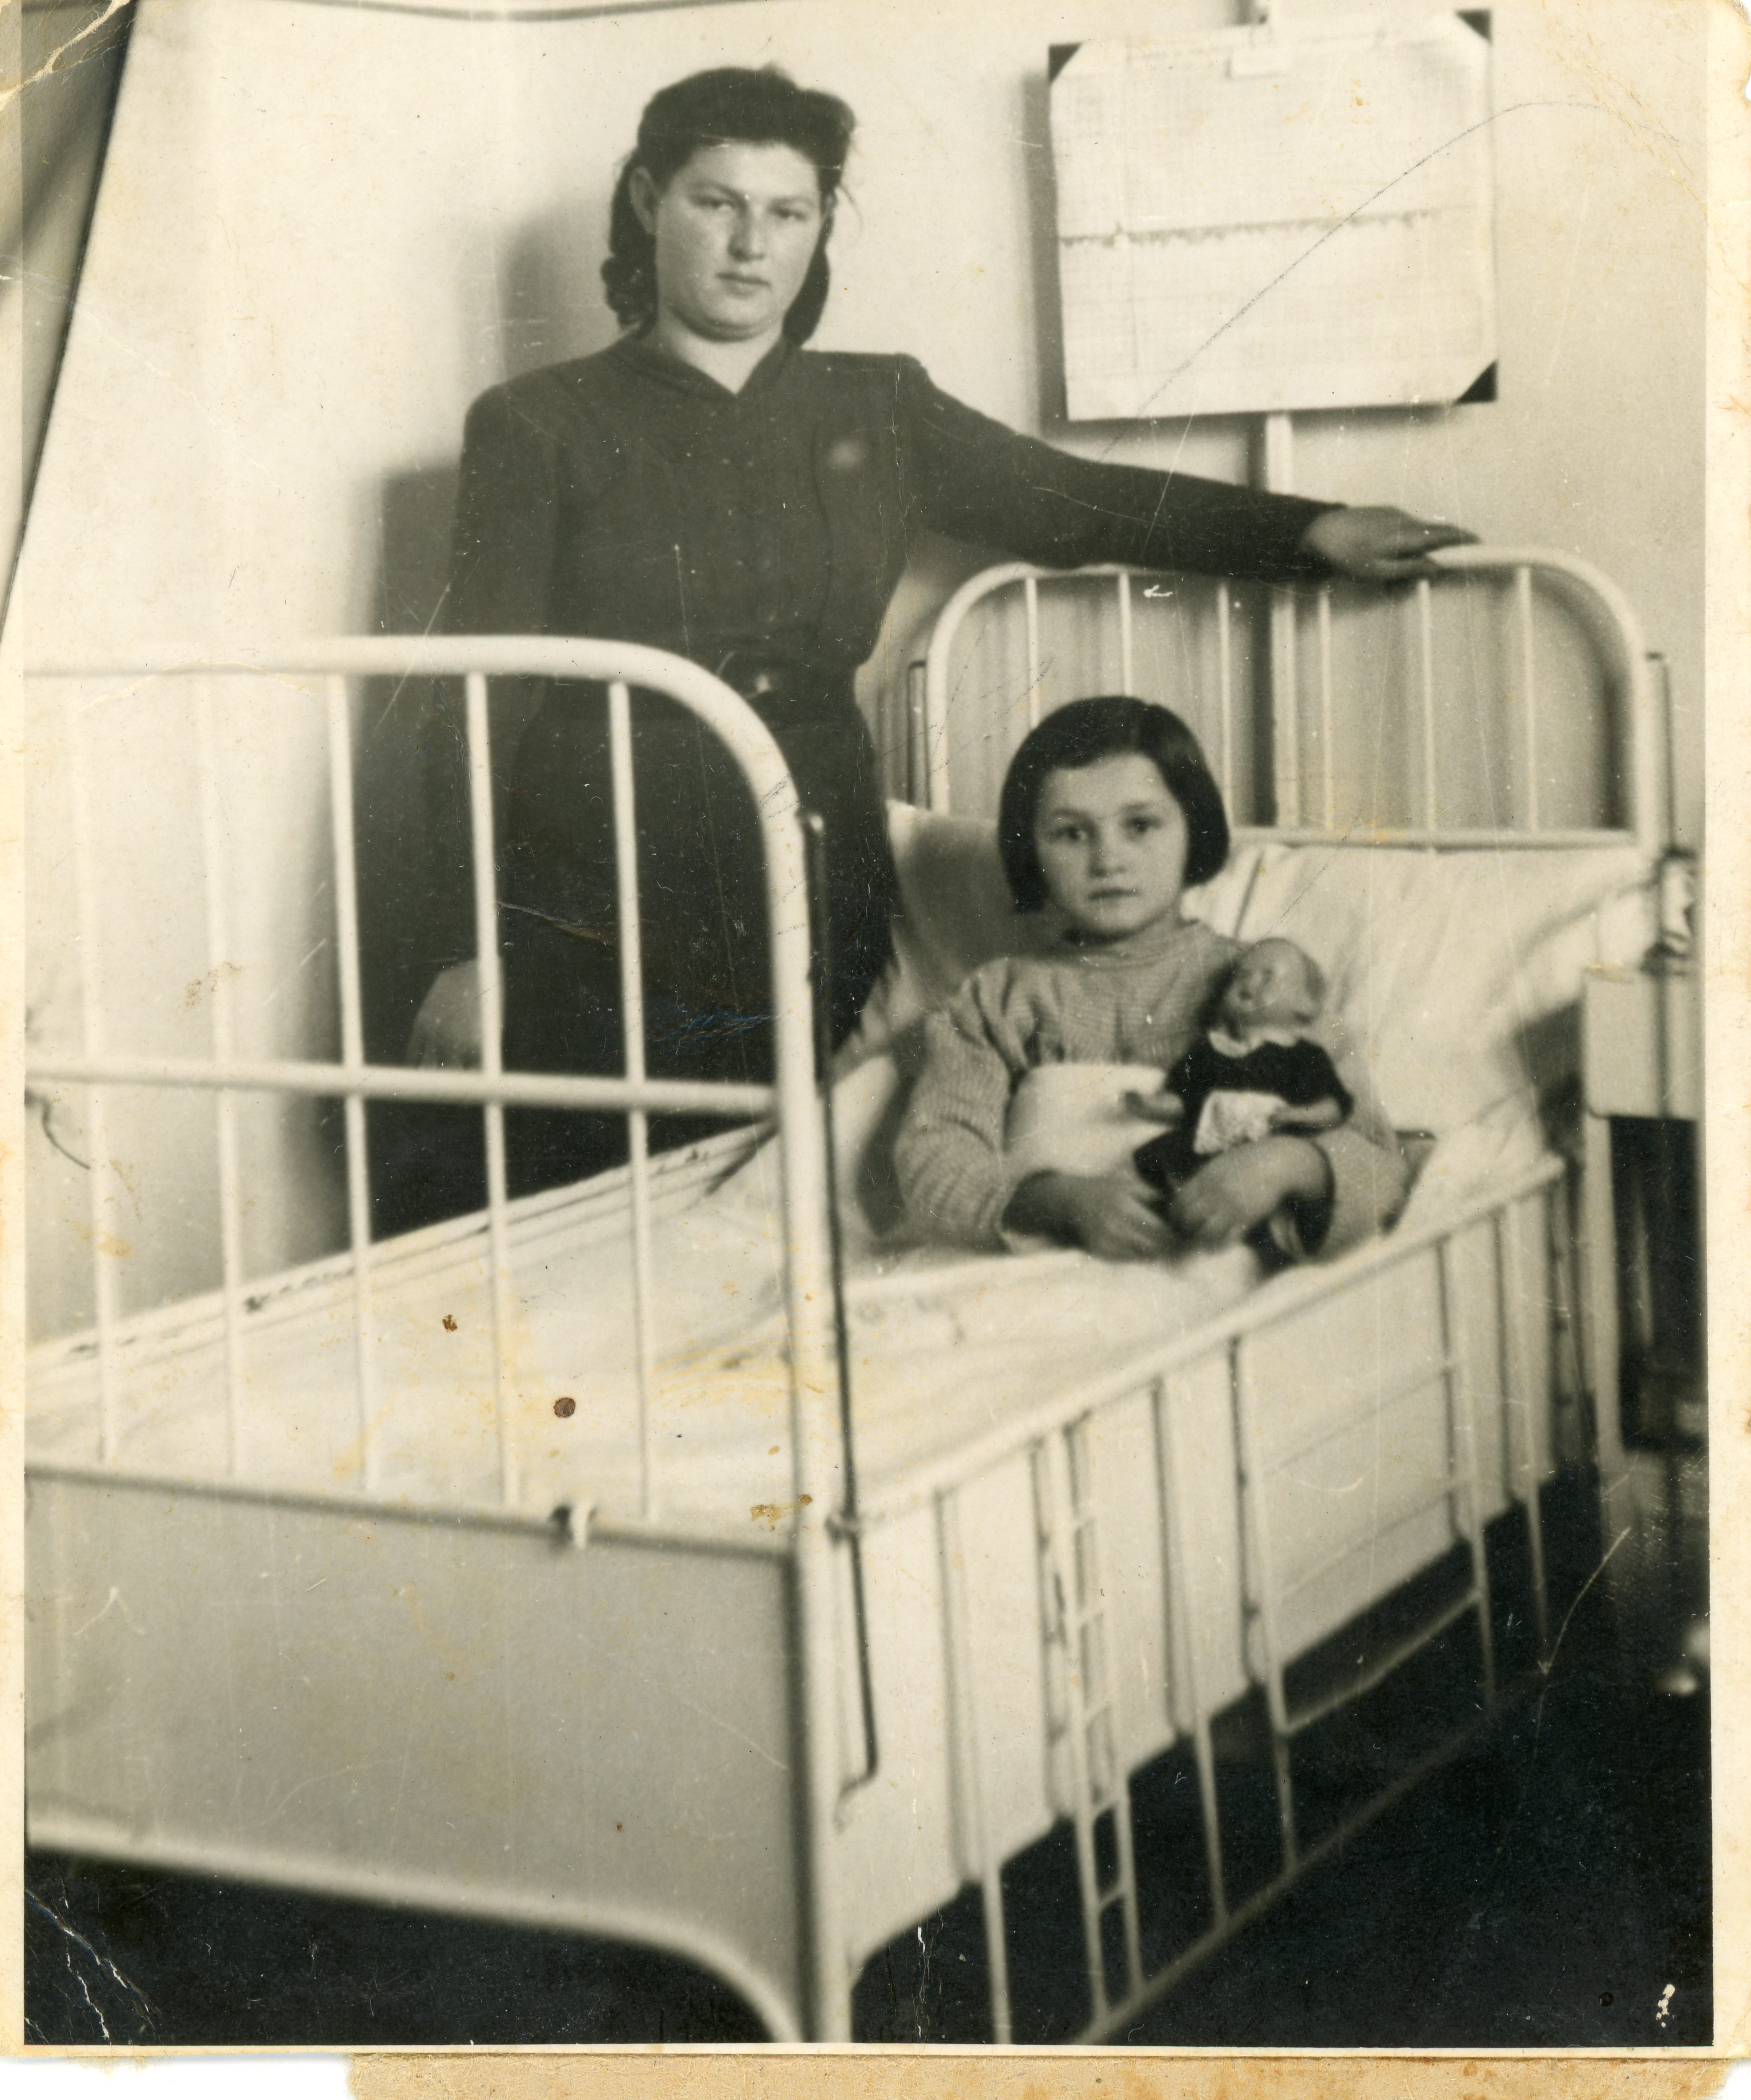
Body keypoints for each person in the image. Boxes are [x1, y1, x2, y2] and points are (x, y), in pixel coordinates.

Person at [391, 64, 1467, 1230]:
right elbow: (468, 699)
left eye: (789, 212)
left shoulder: (879, 407)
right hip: (588, 871)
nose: (752, 244)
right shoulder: (538, 422)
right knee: (566, 1200)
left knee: (742, 1203)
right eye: (717, 203)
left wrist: (1307, 532)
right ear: (650, 201)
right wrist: (463, 946)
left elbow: (1075, 499)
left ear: (818, 228)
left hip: (801, 845)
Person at [892, 699, 1404, 1263]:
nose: (1108, 859)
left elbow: (1379, 1158)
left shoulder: (1262, 983)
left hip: (1209, 1284)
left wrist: (1286, 1164)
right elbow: (934, 1161)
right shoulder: (996, 1000)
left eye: (1140, 826)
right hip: (1042, 1276)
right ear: (1029, 850)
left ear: (1194, 829)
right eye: (1071, 834)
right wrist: (1057, 1200)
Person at [1130, 936, 1353, 1194]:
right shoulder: (1208, 1051)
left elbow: (1335, 1105)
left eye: (1268, 977)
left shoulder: (1303, 1056)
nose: (1249, 981)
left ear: (1305, 1003)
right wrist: (1150, 1106)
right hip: (1203, 1143)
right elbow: (1185, 1100)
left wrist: (1300, 1115)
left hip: (1264, 1154)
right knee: (1154, 1156)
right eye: (1242, 975)